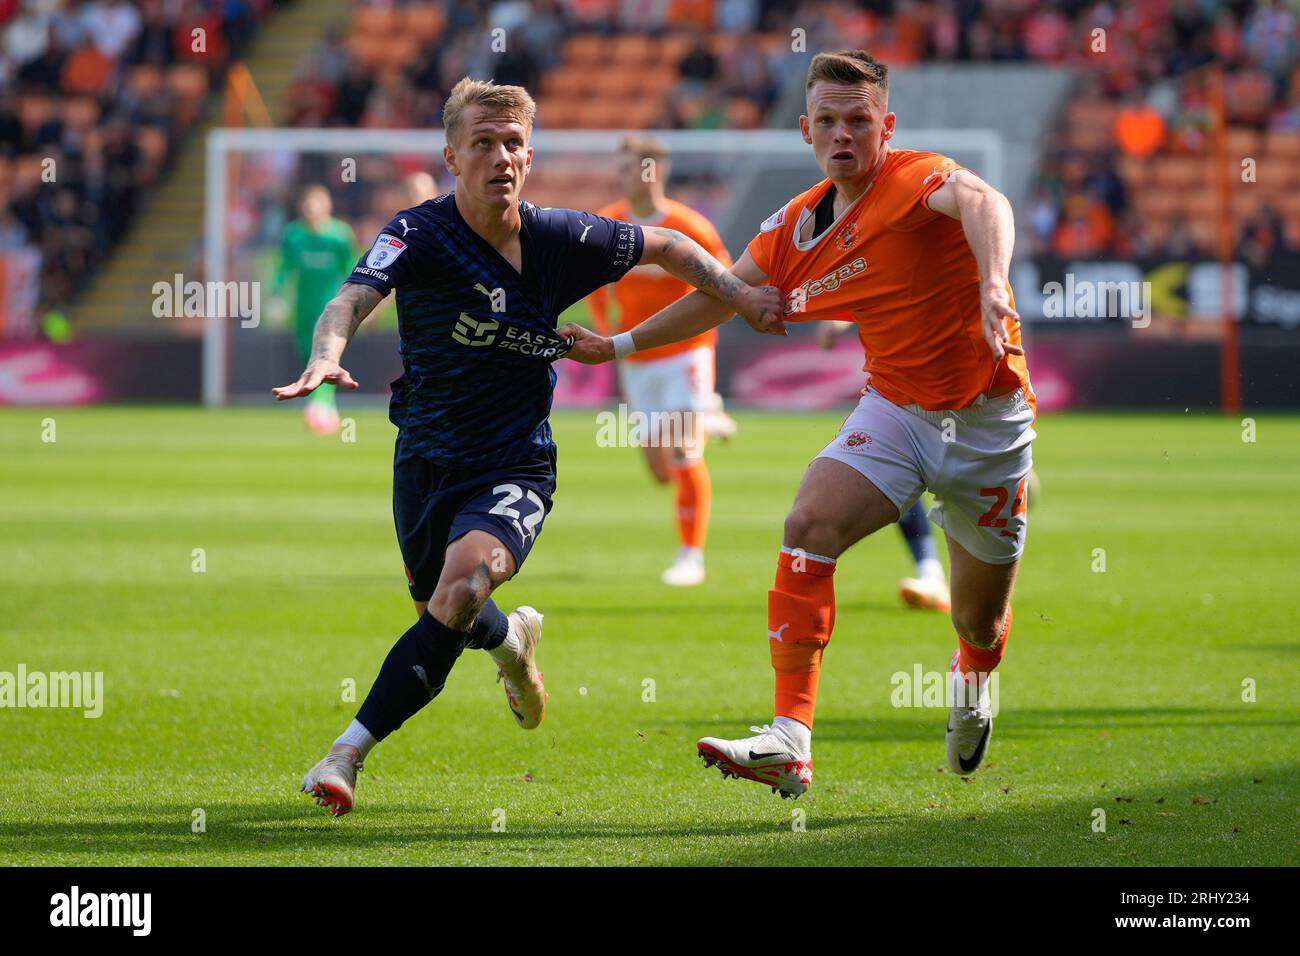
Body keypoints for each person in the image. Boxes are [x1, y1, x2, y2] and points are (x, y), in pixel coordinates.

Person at [272, 77, 782, 816]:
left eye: (513, 143)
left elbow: (670, 245)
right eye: (483, 142)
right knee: (441, 613)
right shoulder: (417, 234)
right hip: (425, 457)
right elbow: (351, 298)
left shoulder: (561, 238)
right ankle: (513, 644)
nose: (500, 156)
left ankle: (346, 752)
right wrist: (326, 355)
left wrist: (743, 297)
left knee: (458, 591)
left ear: (530, 154)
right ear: (453, 156)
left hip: (515, 462)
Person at [562, 50, 1034, 796]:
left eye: (860, 120)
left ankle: (973, 677)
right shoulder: (796, 226)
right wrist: (614, 346)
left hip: (989, 426)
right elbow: (722, 293)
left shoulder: (916, 177)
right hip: (895, 412)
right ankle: (791, 738)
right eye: (828, 122)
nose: (844, 134)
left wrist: (994, 280)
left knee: (978, 623)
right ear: (807, 130)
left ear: (887, 126)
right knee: (809, 523)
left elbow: (986, 201)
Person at [587, 136, 733, 586]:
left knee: (682, 453)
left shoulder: (689, 226)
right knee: (658, 470)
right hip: (636, 354)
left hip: (686, 353)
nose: (622, 176)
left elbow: (726, 285)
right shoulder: (608, 223)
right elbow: (592, 284)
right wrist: (604, 334)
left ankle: (691, 556)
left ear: (653, 172)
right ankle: (706, 413)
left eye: (630, 167)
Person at [816, 318, 950, 611]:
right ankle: (931, 574)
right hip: (895, 394)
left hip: (952, 388)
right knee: (894, 478)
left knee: (960, 490)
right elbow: (873, 280)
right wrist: (840, 320)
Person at [274, 184, 357, 435]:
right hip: (303, 308)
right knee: (306, 356)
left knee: (326, 356)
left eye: (317, 203)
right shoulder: (294, 235)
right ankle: (325, 406)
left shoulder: (339, 235)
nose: (311, 209)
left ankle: (320, 406)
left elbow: (351, 269)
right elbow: (285, 268)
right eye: (307, 204)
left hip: (331, 309)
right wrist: (277, 294)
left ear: (327, 206)